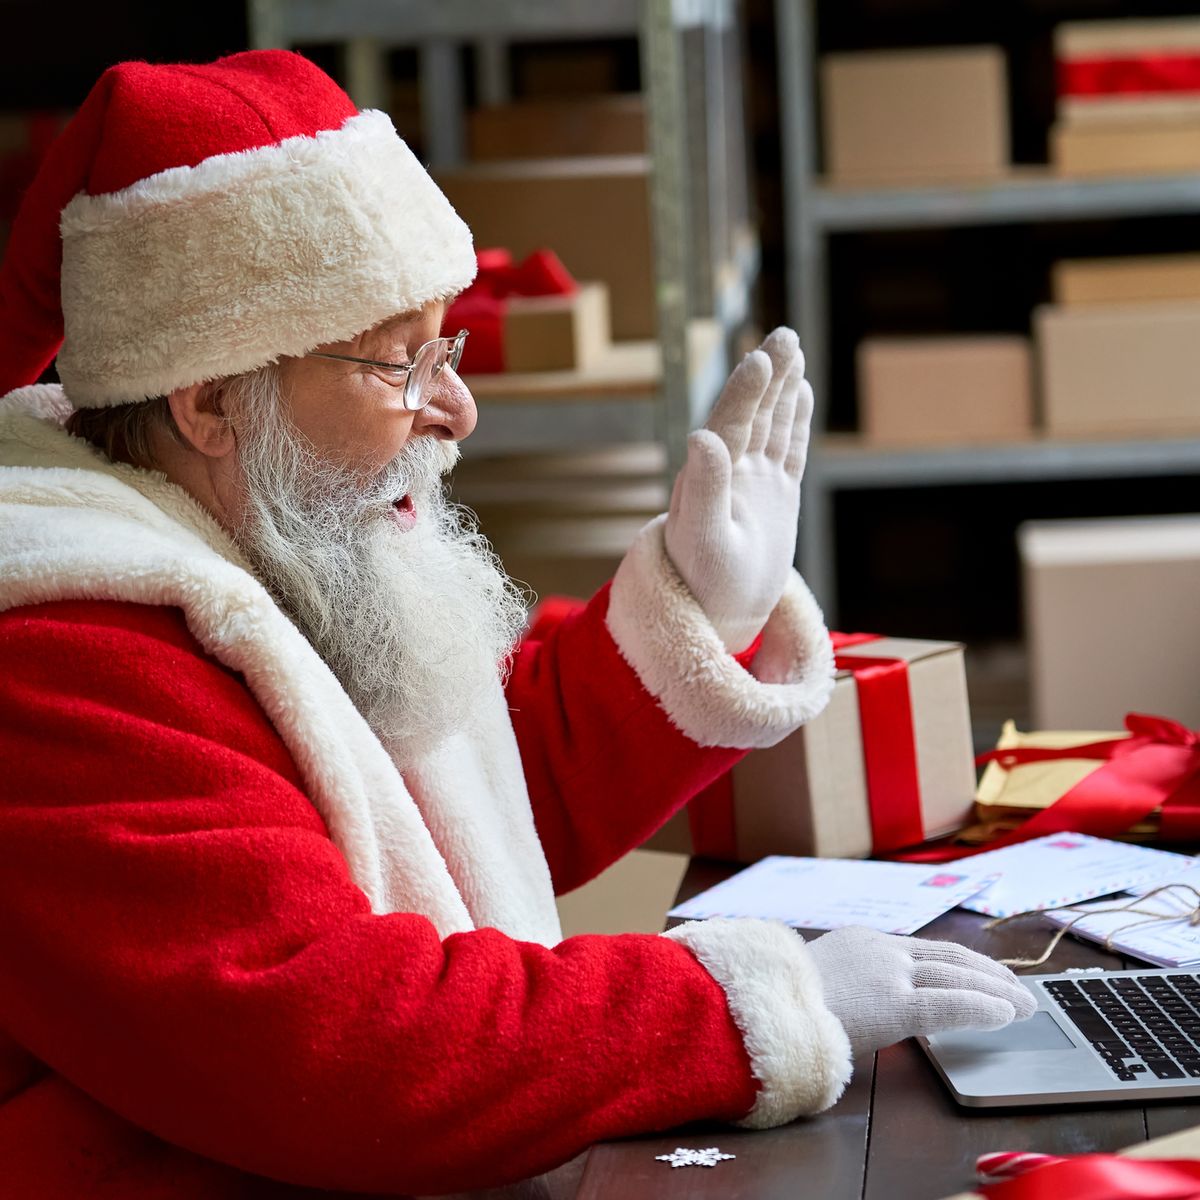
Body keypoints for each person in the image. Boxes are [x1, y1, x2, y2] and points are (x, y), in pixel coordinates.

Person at [0, 50, 1034, 1199]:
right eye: (401, 361)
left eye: (446, 346)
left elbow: (465, 804)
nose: (458, 406)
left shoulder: (267, 520)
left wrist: (700, 601)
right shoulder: (59, 654)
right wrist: (742, 1010)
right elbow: (347, 1049)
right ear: (206, 403)